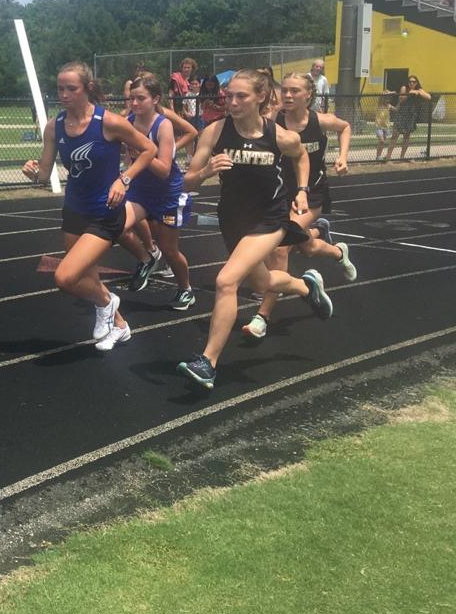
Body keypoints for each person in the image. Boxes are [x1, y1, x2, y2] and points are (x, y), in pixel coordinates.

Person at [177, 69, 334, 390]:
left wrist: (302, 189)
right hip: (233, 220)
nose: (232, 102)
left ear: (260, 97)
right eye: (228, 96)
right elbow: (186, 180)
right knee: (262, 281)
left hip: (271, 219)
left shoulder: (279, 136)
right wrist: (206, 171)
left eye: (241, 96)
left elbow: (301, 156)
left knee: (226, 281)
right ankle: (306, 288)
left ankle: (208, 362)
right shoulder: (215, 132)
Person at [23, 62, 156, 350]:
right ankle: (119, 325)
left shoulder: (107, 122)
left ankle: (108, 302)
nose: (65, 94)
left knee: (65, 277)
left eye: (71, 88)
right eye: (60, 89)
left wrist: (124, 179)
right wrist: (33, 170)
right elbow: (45, 174)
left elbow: (149, 150)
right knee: (88, 276)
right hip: (74, 210)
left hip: (105, 212)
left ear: (87, 89)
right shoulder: (54, 126)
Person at [243, 71, 357, 338]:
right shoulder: (274, 120)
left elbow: (346, 127)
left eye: (295, 90)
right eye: (285, 90)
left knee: (280, 250)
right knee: (304, 246)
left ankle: (262, 317)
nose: (288, 95)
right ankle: (338, 251)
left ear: (309, 95)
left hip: (312, 193)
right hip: (281, 192)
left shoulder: (320, 121)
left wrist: (342, 157)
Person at [117, 74, 196, 311]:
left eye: (141, 98)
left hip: (167, 195)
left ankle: (186, 290)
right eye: (132, 99)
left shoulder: (163, 124)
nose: (135, 103)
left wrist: (142, 150)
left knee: (171, 250)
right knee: (115, 225)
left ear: (155, 99)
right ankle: (148, 257)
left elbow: (162, 170)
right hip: (141, 191)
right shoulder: (128, 122)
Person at [384, 75, 431, 162]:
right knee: (395, 136)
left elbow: (429, 97)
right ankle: (388, 157)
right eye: (410, 81)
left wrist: (419, 92)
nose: (411, 83)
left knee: (406, 137)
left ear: (417, 83)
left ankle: (402, 157)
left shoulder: (418, 90)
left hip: (411, 116)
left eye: (414, 82)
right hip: (401, 115)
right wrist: (409, 93)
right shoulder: (404, 88)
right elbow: (401, 100)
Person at [374, 91, 394, 161]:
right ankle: (378, 156)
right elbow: (381, 95)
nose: (387, 100)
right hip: (379, 126)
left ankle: (379, 156)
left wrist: (400, 102)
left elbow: (396, 109)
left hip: (386, 127)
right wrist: (390, 92)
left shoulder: (389, 106)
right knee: (382, 141)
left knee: (382, 142)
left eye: (388, 99)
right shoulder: (380, 105)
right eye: (385, 99)